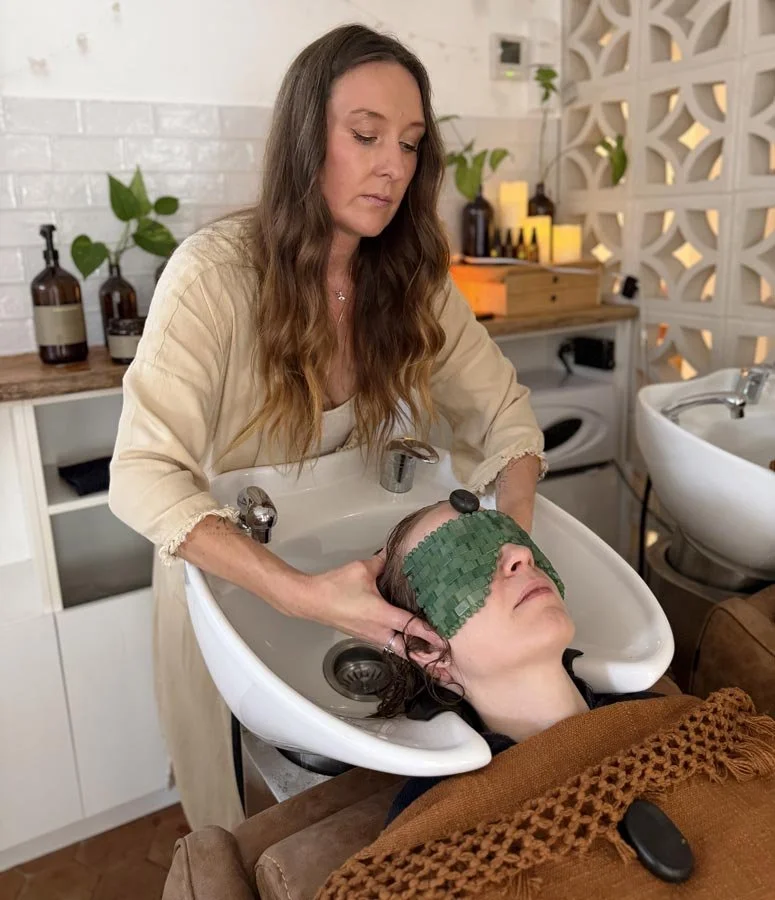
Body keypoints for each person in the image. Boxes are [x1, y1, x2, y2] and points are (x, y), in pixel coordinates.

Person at [108, 24, 545, 830]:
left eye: (410, 145)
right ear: (307, 137)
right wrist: (302, 596)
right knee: (229, 816)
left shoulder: (411, 278)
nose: (392, 166)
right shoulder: (214, 277)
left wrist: (505, 543)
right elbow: (140, 474)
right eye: (366, 135)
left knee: (358, 812)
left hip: (346, 570)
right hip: (229, 570)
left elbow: (506, 417)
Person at [374, 493, 660, 822]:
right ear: (428, 650)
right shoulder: (440, 815)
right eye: (468, 558)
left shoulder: (670, 719)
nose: (522, 554)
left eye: (512, 539)